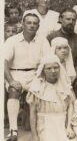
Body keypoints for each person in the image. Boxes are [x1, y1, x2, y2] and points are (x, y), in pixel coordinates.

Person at [4, 13, 50, 141]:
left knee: (44, 90)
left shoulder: (42, 40)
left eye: (35, 23)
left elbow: (48, 60)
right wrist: (11, 81)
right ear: (22, 24)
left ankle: (41, 127)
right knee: (13, 90)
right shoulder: (12, 40)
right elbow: (3, 62)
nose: (32, 25)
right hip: (16, 73)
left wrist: (41, 77)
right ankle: (13, 130)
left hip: (36, 74)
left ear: (38, 26)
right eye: (29, 23)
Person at [27, 55, 75, 141]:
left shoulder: (65, 86)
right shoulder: (37, 88)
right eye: (48, 68)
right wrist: (34, 135)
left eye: (56, 67)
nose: (53, 71)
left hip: (62, 123)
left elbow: (70, 106)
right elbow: (33, 113)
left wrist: (69, 127)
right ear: (43, 70)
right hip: (45, 124)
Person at [47, 8, 77, 96]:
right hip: (55, 73)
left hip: (74, 75)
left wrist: (74, 75)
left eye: (73, 20)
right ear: (61, 19)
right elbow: (47, 58)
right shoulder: (51, 37)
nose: (71, 22)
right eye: (68, 19)